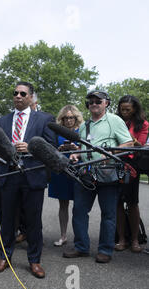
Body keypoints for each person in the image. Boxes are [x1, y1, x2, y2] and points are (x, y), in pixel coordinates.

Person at [0, 81, 56, 279]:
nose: (18, 96)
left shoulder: (44, 119)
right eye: (15, 93)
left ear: (31, 97)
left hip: (33, 175)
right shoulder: (3, 120)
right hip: (9, 176)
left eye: (22, 93)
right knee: (7, 220)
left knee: (33, 221)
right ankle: (5, 257)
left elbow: (51, 147)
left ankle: (34, 261)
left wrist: (31, 147)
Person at [63, 91, 133, 264]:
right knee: (79, 211)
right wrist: (76, 155)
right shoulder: (85, 125)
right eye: (91, 101)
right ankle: (81, 247)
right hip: (86, 174)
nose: (93, 103)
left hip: (108, 173)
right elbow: (82, 148)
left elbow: (129, 144)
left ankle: (105, 250)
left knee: (108, 214)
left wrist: (110, 152)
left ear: (106, 103)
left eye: (98, 101)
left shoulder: (115, 121)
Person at [115, 95, 148, 253]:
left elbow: (140, 145)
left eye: (128, 109)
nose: (125, 112)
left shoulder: (143, 124)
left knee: (132, 202)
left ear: (135, 109)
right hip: (115, 163)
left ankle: (135, 240)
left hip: (132, 165)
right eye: (122, 109)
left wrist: (129, 140)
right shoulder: (115, 121)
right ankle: (121, 239)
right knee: (117, 203)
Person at [48, 105, 83, 246]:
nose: (69, 120)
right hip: (61, 170)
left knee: (79, 205)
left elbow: (88, 148)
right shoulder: (57, 132)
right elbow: (50, 148)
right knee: (63, 204)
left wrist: (77, 149)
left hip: (77, 169)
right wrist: (60, 149)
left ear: (76, 118)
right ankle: (63, 236)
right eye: (66, 118)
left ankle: (79, 237)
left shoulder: (81, 130)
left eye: (71, 118)